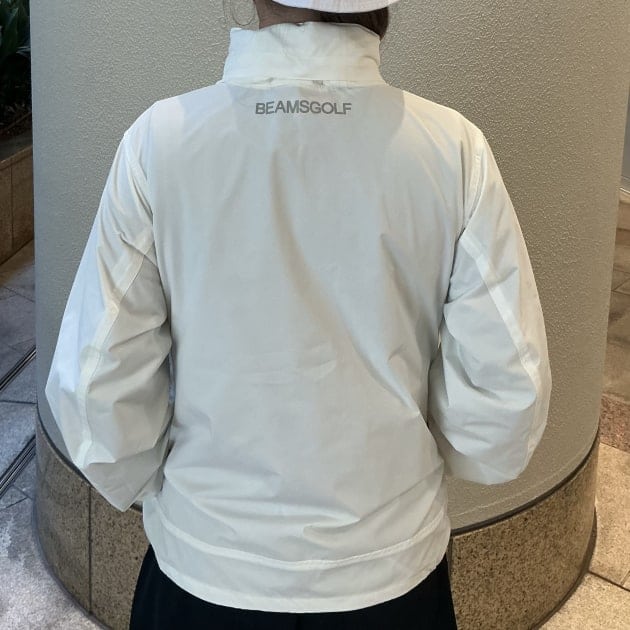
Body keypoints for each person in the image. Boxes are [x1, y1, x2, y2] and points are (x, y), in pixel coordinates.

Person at [45, 0, 552, 628]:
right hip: (391, 578)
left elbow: (95, 390)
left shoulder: (159, 143)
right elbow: (505, 402)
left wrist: (188, 497)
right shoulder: (454, 151)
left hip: (204, 575)